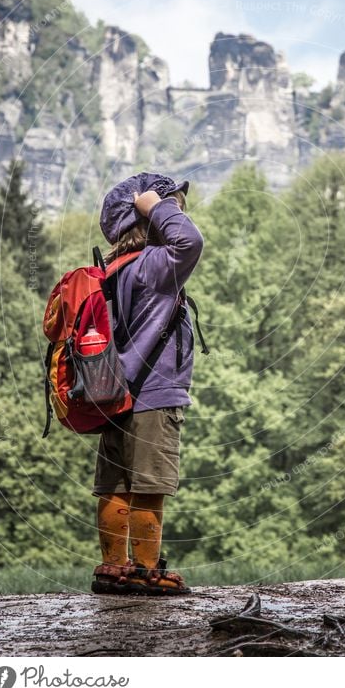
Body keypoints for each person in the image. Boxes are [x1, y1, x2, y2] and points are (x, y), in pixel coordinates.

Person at [91, 172, 204, 596]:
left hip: (111, 396)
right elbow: (190, 241)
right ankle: (147, 570)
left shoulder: (113, 270)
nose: (177, 211)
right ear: (149, 220)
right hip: (152, 397)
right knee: (149, 486)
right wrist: (156, 205)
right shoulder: (154, 267)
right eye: (171, 207)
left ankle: (113, 567)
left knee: (115, 485)